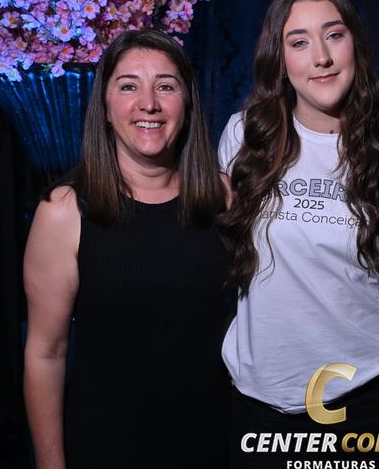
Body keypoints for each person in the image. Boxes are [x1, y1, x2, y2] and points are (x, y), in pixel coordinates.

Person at [217, 0, 379, 468]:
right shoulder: (243, 138)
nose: (322, 58)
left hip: (368, 393)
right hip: (262, 398)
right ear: (279, 59)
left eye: (334, 35)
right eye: (299, 42)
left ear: (356, 44)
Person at [23, 29, 230, 469]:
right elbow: (45, 353)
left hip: (216, 445)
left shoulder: (226, 199)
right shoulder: (63, 212)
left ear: (188, 103)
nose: (148, 103)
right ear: (105, 106)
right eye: (129, 86)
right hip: (105, 447)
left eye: (166, 86)